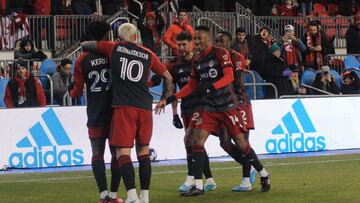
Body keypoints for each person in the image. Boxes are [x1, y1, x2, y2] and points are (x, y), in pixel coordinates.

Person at [163, 25, 270, 196]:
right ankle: (199, 185)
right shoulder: (197, 60)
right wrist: (174, 98)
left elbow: (229, 77)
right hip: (210, 107)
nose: (197, 42)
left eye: (199, 39)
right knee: (197, 141)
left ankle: (263, 173)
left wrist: (211, 87)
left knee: (241, 143)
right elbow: (191, 84)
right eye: (195, 39)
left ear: (208, 39)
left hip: (228, 105)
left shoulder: (221, 53)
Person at [81, 23, 173, 203]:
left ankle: (131, 195)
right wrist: (163, 99)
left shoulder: (114, 48)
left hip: (125, 108)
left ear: (119, 38)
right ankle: (145, 196)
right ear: (136, 37)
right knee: (144, 152)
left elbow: (86, 45)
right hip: (145, 108)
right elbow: (168, 77)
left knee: (123, 153)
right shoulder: (148, 53)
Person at [70, 21, 123, 203]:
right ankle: (114, 195)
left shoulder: (81, 60)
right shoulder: (114, 54)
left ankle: (103, 195)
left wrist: (71, 89)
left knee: (97, 153)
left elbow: (76, 93)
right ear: (105, 36)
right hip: (115, 111)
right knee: (117, 153)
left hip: (95, 113)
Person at [166, 31, 217, 194]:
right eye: (178, 44)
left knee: (192, 142)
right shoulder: (175, 65)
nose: (180, 48)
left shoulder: (199, 61)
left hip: (202, 106)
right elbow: (172, 91)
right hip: (186, 108)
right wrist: (174, 114)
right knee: (196, 145)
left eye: (183, 44)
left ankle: (192, 179)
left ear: (191, 44)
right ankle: (208, 179)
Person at [215, 31, 260, 192]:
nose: (219, 44)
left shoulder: (236, 57)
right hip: (224, 104)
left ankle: (246, 181)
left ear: (229, 42)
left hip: (240, 103)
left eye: (222, 41)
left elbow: (238, 82)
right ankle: (252, 166)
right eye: (217, 41)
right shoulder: (215, 58)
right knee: (224, 142)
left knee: (243, 142)